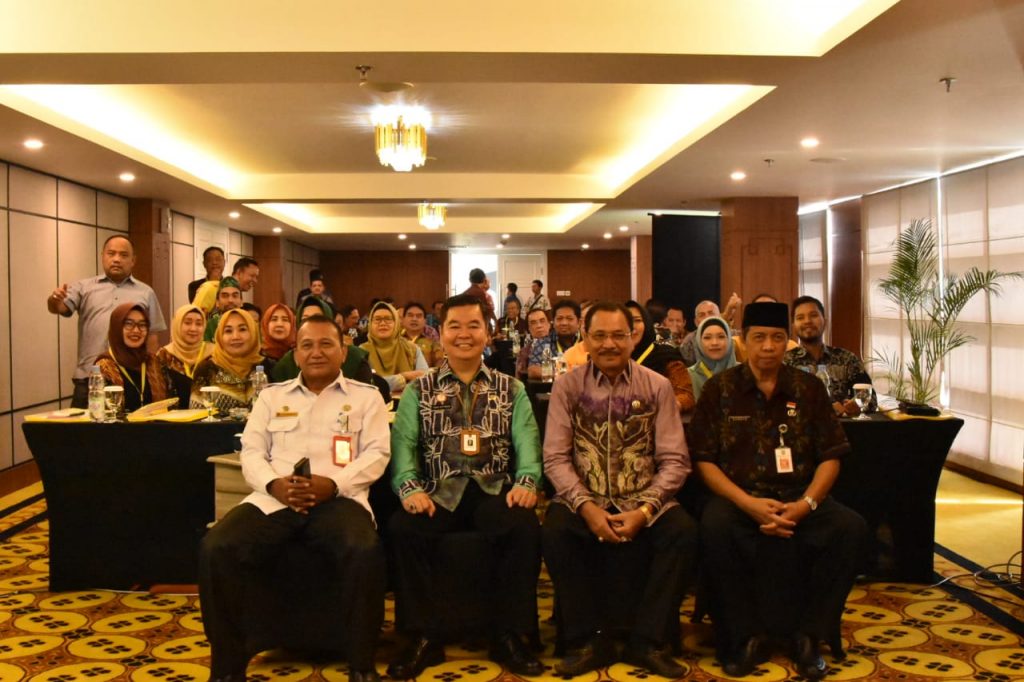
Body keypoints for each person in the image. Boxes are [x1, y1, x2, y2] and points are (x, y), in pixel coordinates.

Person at [199, 314, 390, 682]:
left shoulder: (367, 397)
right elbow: (251, 451)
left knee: (364, 549)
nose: (316, 352)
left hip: (339, 499)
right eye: (307, 345)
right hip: (275, 500)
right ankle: (226, 668)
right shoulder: (272, 396)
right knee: (216, 547)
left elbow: (377, 454)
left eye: (326, 344)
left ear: (343, 350)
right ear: (296, 354)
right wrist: (274, 485)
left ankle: (361, 665)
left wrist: (332, 484)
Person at [688, 301, 867, 680]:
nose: (768, 346)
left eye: (776, 338)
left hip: (800, 496)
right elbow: (703, 460)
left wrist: (807, 503)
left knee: (850, 528)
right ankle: (744, 636)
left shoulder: (808, 388)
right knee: (714, 527)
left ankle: (809, 635)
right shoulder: (721, 389)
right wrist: (747, 504)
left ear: (787, 341)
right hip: (739, 499)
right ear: (745, 341)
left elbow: (831, 456)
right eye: (759, 338)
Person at [387, 294, 544, 679]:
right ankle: (422, 636)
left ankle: (509, 634)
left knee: (523, 527)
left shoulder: (511, 389)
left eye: (473, 326)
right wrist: (409, 488)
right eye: (454, 326)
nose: (464, 334)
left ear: (487, 333)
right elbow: (403, 446)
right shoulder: (418, 391)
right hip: (437, 491)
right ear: (440, 334)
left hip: (494, 488)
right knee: (402, 529)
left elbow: (527, 443)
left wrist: (527, 482)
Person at [543, 301, 697, 678]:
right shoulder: (567, 387)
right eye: (599, 336)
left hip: (644, 497)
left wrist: (645, 510)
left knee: (683, 532)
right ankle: (587, 640)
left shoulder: (658, 386)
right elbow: (555, 458)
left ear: (633, 337)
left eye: (617, 335)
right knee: (556, 531)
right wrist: (587, 507)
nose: (609, 344)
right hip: (585, 497)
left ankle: (648, 640)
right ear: (585, 339)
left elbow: (676, 460)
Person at [46, 235, 166, 407]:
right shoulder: (84, 287)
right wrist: (55, 300)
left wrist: (152, 374)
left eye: (123, 255)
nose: (116, 259)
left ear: (133, 260)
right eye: (111, 253)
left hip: (130, 378)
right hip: (90, 377)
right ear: (102, 256)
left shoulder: (146, 292)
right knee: (83, 425)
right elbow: (59, 308)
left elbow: (152, 336)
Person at [784, 295, 874, 416]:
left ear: (825, 321)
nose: (807, 321)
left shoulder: (846, 359)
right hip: (799, 427)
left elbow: (871, 399)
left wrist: (856, 406)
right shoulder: (784, 362)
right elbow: (777, 405)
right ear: (793, 326)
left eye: (813, 315)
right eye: (800, 317)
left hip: (843, 427)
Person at [269, 298, 374, 387]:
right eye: (305, 319)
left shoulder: (355, 357)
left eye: (318, 317)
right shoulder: (286, 363)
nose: (311, 323)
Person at [94, 302, 169, 412]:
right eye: (129, 324)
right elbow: (99, 412)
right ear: (117, 328)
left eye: (142, 325)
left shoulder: (153, 362)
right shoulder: (105, 366)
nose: (136, 330)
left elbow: (170, 403)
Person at [625, 300, 696, 415]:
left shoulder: (666, 356)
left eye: (637, 320)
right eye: (626, 320)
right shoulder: (611, 358)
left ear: (647, 323)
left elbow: (686, 395)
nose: (632, 326)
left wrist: (663, 406)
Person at [191, 308, 264, 411]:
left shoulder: (266, 366)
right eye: (228, 331)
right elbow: (196, 414)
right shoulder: (207, 369)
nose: (235, 337)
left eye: (242, 329)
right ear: (220, 336)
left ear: (253, 332)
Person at [361, 301, 427, 395]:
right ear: (370, 324)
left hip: (408, 402)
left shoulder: (411, 349)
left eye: (388, 319)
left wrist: (386, 382)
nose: (382, 323)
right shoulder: (362, 351)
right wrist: (403, 377)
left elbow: (425, 380)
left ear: (396, 323)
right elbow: (365, 384)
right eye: (377, 319)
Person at [156, 304, 212, 409]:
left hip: (209, 415)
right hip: (173, 416)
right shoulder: (164, 355)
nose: (193, 328)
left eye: (199, 324)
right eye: (187, 323)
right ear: (177, 325)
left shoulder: (213, 353)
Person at [732, 293, 798, 362]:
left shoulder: (792, 347)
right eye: (759, 337)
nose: (768, 347)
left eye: (777, 337)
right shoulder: (737, 343)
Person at [687, 316, 737, 402]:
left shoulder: (745, 373)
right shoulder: (688, 376)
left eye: (721, 337)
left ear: (729, 340)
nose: (714, 343)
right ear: (698, 342)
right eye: (707, 338)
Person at [402, 302, 444, 367]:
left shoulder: (432, 343)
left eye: (419, 316)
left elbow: (440, 364)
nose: (414, 319)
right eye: (410, 315)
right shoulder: (395, 341)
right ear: (403, 319)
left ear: (425, 321)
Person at [202, 276, 244, 342]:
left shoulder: (249, 324)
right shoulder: (210, 326)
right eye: (225, 296)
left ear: (241, 301)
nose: (230, 300)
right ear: (217, 302)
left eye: (235, 296)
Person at [260, 303, 296, 376]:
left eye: (285, 319)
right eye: (274, 319)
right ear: (266, 324)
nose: (279, 324)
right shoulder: (258, 356)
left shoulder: (298, 355)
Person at [523, 309, 556, 381]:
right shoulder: (524, 351)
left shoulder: (556, 341)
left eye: (542, 321)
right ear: (529, 329)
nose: (539, 326)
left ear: (549, 324)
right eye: (533, 323)